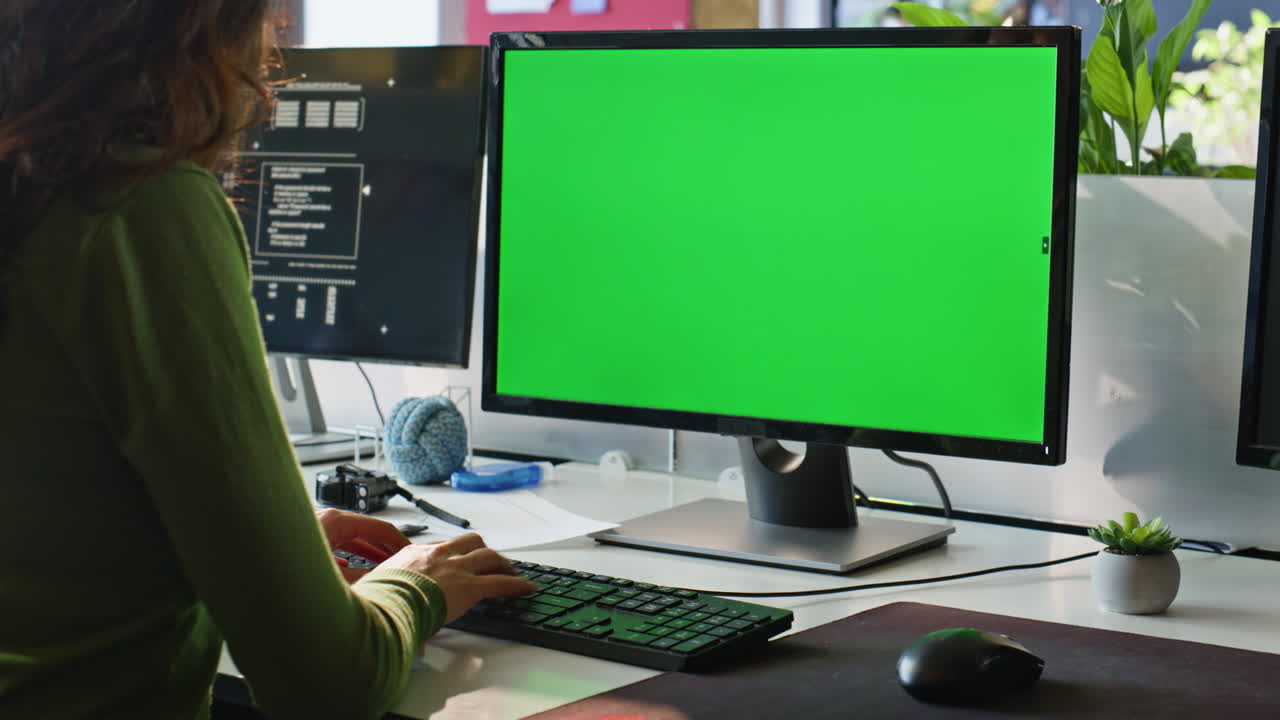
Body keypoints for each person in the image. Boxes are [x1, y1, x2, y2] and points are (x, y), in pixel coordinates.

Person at [0, 3, 537, 719]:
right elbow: (329, 683)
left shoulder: (30, 192)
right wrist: (419, 581)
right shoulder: (138, 209)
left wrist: (267, 551)